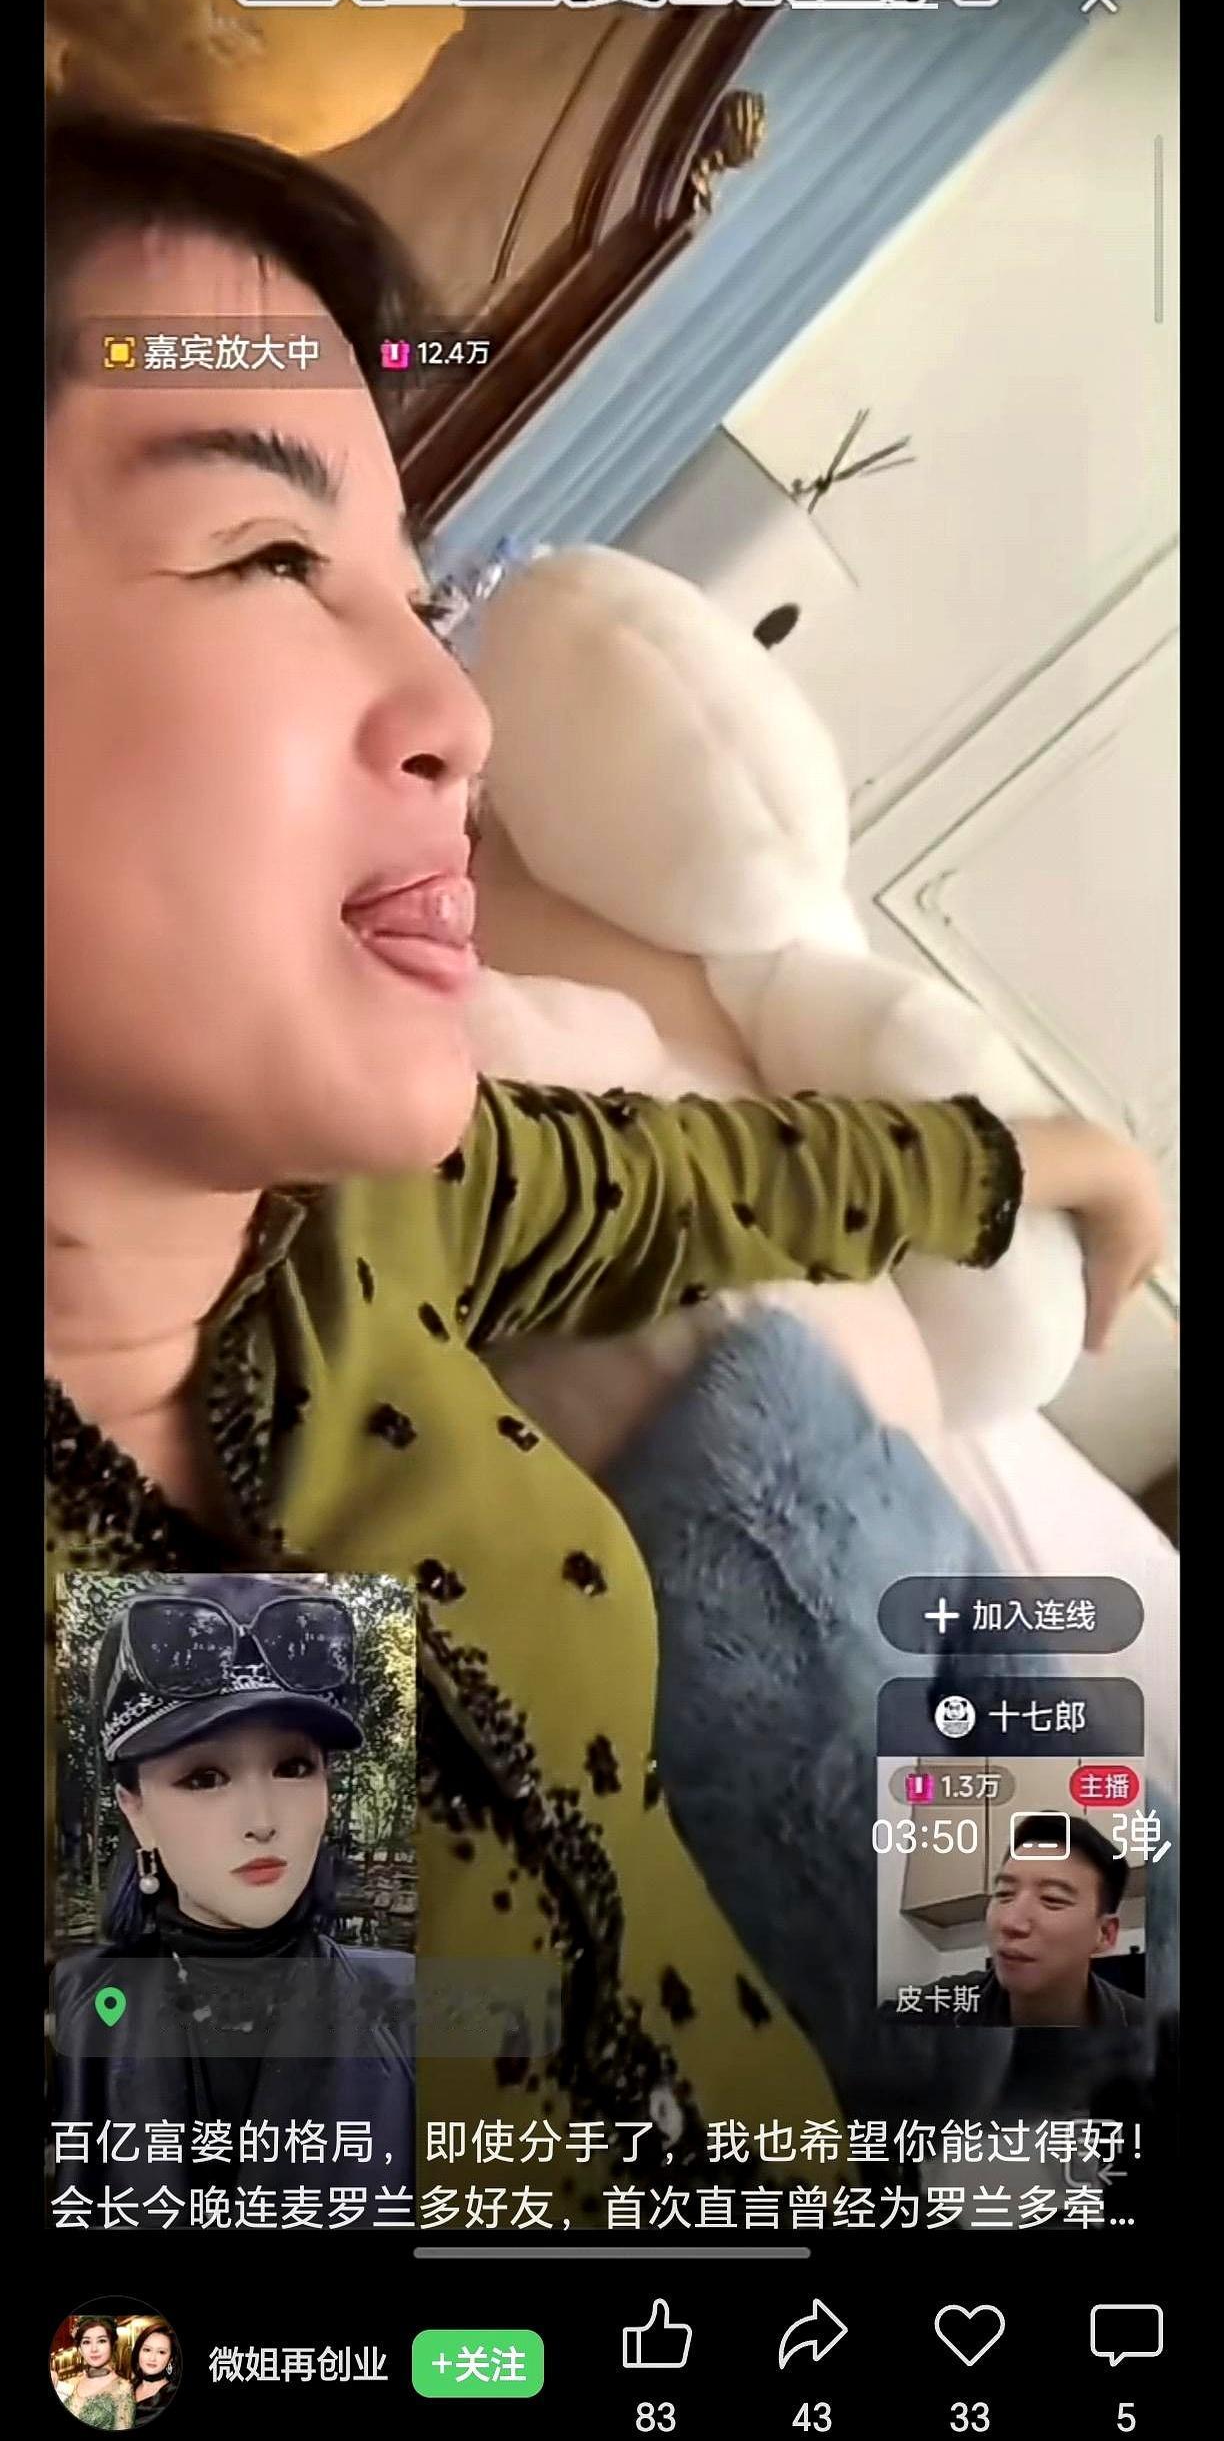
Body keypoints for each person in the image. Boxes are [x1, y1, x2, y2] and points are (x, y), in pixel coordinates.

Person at [44, 108, 1166, 2213]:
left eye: (412, 588)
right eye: (271, 555)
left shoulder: (352, 1231)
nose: (452, 710)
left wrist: (1045, 1163)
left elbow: (701, 1183)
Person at [52, 1577, 413, 2222]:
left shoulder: (414, 2009)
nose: (263, 1821)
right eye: (204, 1777)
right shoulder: (73, 2016)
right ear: (135, 1809)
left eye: (294, 1768)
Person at [909, 1815, 1147, 2029]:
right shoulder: (935, 2009)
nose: (1011, 1922)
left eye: (1052, 1899)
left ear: (1105, 1934)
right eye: (1004, 1894)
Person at [54, 2316, 134, 2428]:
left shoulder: (123, 2389)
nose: (94, 2349)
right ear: (80, 2349)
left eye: (101, 2341)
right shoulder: (70, 2384)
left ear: (112, 2345)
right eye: (86, 2342)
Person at [129, 2322, 180, 2421]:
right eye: (147, 2350)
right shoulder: (127, 2387)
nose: (152, 2358)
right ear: (138, 2352)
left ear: (170, 2359)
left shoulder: (171, 2395)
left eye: (161, 2352)